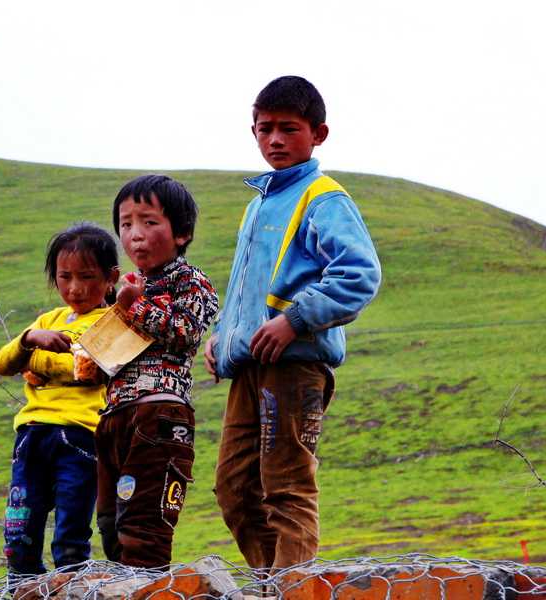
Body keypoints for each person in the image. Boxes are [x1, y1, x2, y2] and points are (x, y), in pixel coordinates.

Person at [204, 75, 382, 569]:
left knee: (286, 487)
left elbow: (359, 274)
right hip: (248, 365)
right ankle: (273, 583)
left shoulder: (323, 198)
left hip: (294, 362)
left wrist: (294, 320)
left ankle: (291, 589)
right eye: (264, 129)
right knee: (234, 488)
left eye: (289, 128)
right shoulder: (258, 203)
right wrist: (223, 333)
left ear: (318, 134)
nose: (275, 140)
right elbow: (247, 284)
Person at [95, 174, 219, 568]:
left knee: (144, 526)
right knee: (110, 524)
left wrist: (135, 306)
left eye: (149, 222)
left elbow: (185, 333)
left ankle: (147, 591)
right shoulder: (127, 286)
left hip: (160, 414)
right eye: (126, 224)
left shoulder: (190, 280)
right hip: (114, 417)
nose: (135, 235)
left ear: (180, 232)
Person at [0, 222, 120, 577]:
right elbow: (4, 362)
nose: (75, 288)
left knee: (70, 535)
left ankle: (72, 588)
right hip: (31, 435)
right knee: (19, 534)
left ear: (111, 277)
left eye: (87, 276)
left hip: (79, 437)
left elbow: (87, 370)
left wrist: (32, 359)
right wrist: (30, 337)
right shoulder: (47, 321)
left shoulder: (113, 321)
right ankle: (24, 587)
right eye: (65, 277)